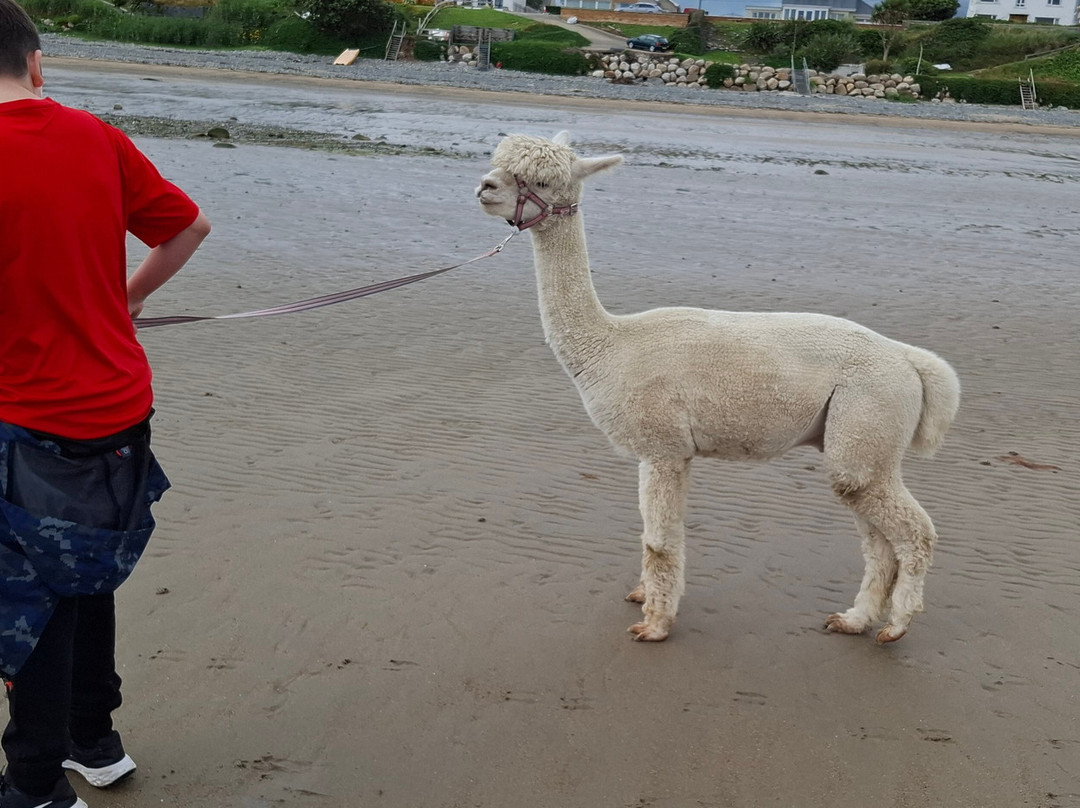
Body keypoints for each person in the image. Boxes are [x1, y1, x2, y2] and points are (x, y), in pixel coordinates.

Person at [0, 2, 211, 806]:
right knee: (85, 572)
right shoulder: (96, 135)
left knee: (33, 593)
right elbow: (188, 227)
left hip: (30, 419)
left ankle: (36, 783)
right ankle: (96, 739)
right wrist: (121, 303)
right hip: (120, 401)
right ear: (38, 63)